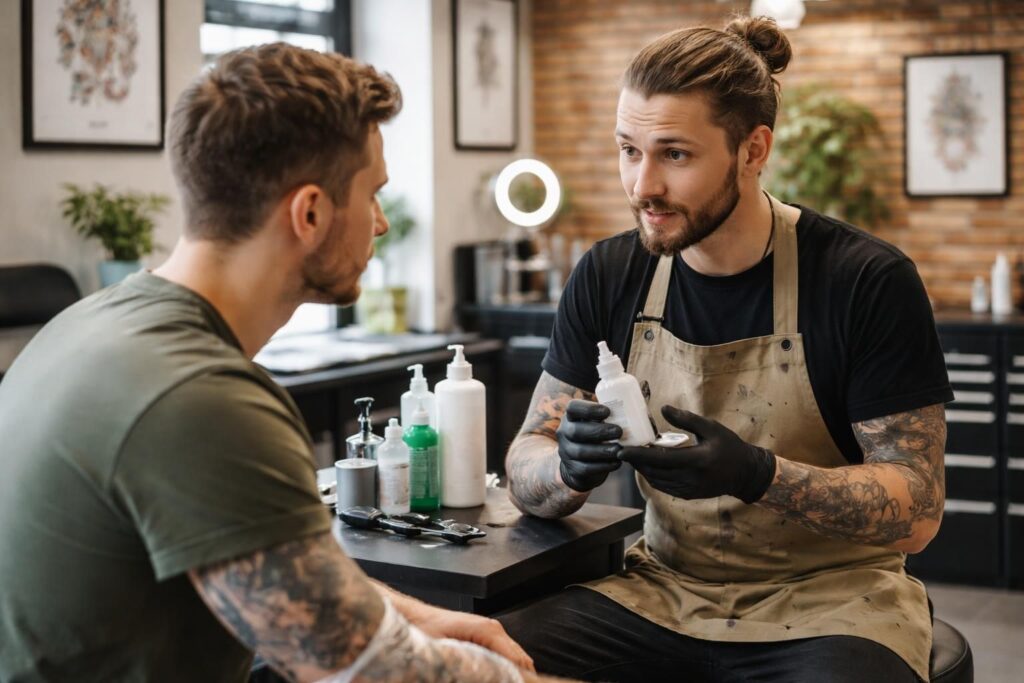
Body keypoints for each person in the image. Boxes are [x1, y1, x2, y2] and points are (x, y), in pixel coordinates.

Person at [0, 43, 562, 683]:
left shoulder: (90, 324)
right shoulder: (200, 396)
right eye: (372, 194)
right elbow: (367, 669)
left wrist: (416, 618)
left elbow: (281, 570)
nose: (380, 223)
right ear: (312, 212)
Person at [497, 16, 952, 683]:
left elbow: (917, 510)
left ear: (753, 148)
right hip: (664, 592)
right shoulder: (609, 274)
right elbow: (523, 461)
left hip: (836, 601)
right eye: (628, 150)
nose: (641, 185)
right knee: (484, 663)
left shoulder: (863, 280)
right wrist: (565, 467)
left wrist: (758, 474)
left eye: (674, 154)